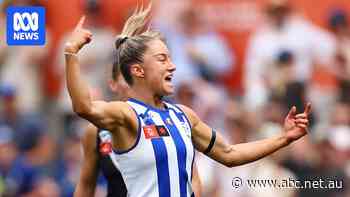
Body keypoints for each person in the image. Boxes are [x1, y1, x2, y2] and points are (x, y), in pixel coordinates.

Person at [64, 4, 311, 197]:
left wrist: (284, 138)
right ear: (139, 71)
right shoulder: (126, 114)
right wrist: (71, 53)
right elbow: (83, 106)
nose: (172, 66)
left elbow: (230, 154)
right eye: (162, 59)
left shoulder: (182, 115)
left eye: (170, 58)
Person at [74, 63, 202, 197]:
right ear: (113, 84)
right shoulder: (96, 132)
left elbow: (192, 177)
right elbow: (86, 184)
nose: (133, 84)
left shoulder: (168, 121)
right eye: (127, 78)